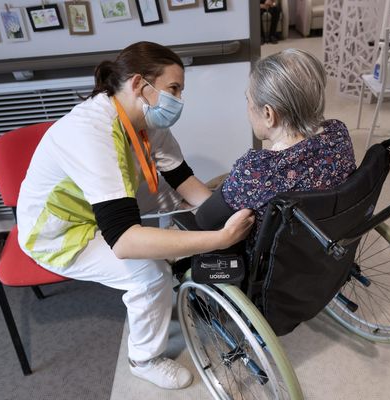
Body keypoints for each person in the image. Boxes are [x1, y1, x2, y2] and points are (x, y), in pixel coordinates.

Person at [16, 41, 254, 390]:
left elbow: (183, 181)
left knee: (191, 207)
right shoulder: (90, 132)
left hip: (97, 207)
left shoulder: (146, 119)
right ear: (141, 84)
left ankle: (185, 267)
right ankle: (144, 359)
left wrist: (222, 211)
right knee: (150, 274)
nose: (179, 100)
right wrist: (221, 237)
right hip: (58, 232)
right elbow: (125, 241)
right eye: (174, 88)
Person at [195, 49, 356, 244]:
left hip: (276, 263)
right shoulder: (338, 132)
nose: (247, 108)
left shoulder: (256, 170)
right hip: (328, 242)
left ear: (269, 114)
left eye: (248, 100)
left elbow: (204, 220)